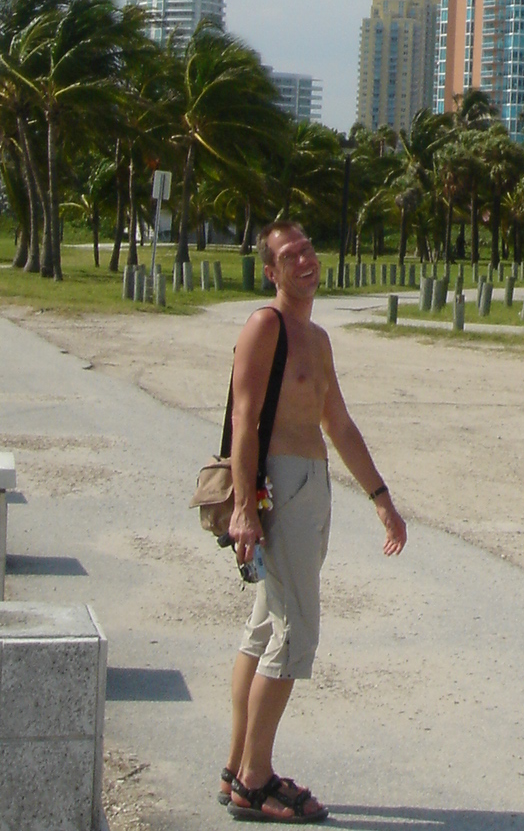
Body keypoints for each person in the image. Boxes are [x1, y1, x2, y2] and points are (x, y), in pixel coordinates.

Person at [222, 221, 406, 822]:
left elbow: (339, 424)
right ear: (270, 272)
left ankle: (236, 767)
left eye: (307, 249)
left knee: (264, 628)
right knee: (295, 631)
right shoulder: (265, 326)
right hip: (278, 486)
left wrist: (380, 496)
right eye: (289, 255)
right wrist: (245, 508)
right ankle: (256, 780)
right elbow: (244, 420)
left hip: (312, 484)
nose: (304, 259)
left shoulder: (318, 338)